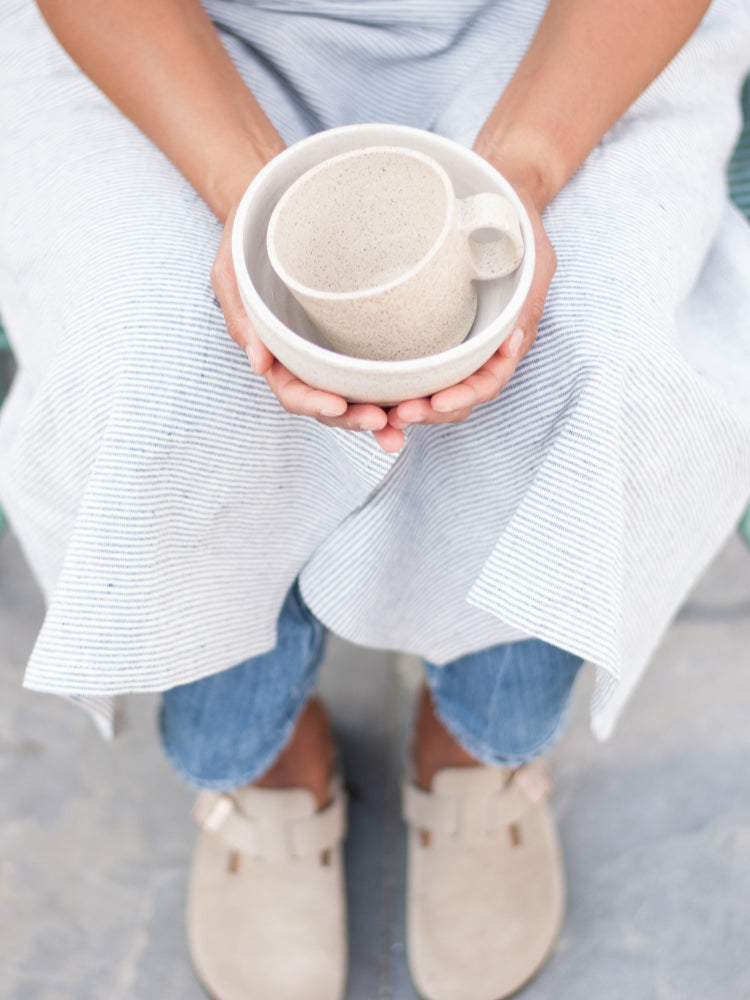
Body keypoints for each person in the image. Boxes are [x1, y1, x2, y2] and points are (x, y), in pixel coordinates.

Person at [1, 1, 749, 998]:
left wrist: (523, 168)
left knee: (583, 350)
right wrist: (253, 194)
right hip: (184, 34)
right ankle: (254, 753)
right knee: (165, 372)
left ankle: (481, 741)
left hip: (556, 31)